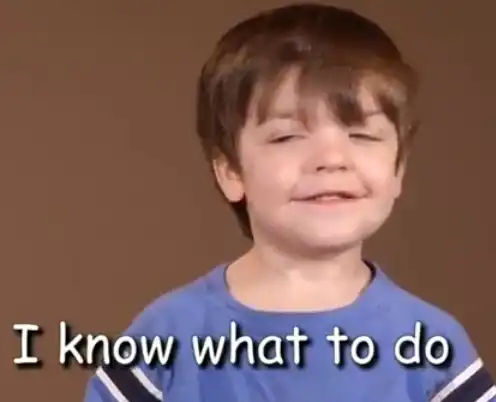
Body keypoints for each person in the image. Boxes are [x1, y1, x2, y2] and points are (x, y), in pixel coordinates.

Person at [83, 3, 495, 401]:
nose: (332, 159)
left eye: (362, 135)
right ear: (231, 172)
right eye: (287, 137)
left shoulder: (433, 346)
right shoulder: (167, 335)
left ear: (398, 168)